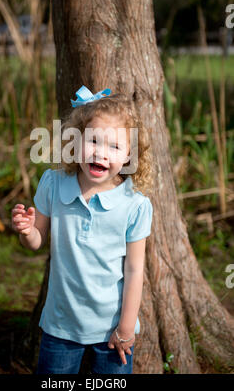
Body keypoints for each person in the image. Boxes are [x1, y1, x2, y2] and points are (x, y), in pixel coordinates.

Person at [11, 85, 154, 374]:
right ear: (75, 143)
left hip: (113, 328)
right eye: (93, 142)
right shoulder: (54, 184)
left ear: (129, 155)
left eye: (114, 147)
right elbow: (37, 240)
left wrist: (126, 326)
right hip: (61, 325)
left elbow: (136, 269)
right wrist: (27, 230)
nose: (101, 154)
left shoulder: (134, 205)